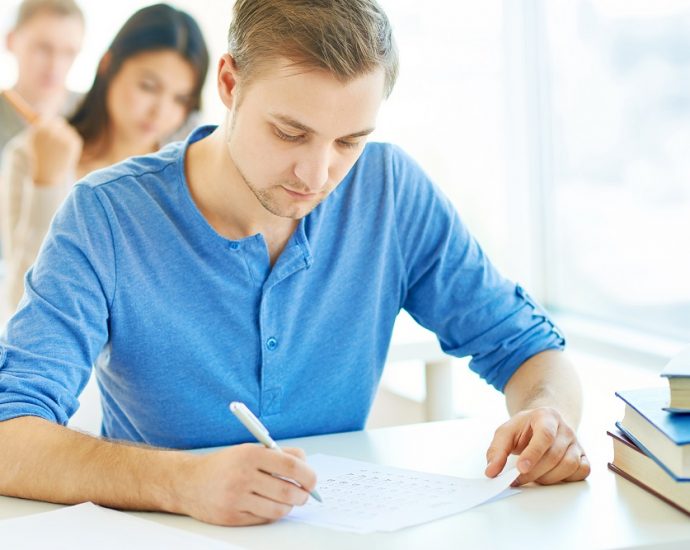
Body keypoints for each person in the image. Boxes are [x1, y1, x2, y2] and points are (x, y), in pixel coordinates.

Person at [0, 0, 590, 527]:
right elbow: (9, 435)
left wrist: (548, 416)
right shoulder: (106, 213)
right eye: (289, 133)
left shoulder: (389, 189)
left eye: (348, 142)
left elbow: (530, 349)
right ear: (230, 83)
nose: (317, 176)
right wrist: (181, 481)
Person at [0, 3, 209, 319]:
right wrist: (47, 185)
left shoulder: (190, 166)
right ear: (108, 65)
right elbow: (19, 303)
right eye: (148, 86)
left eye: (180, 99)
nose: (160, 112)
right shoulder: (30, 155)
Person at [0, 0, 84, 156]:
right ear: (10, 41)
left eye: (69, 52)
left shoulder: (94, 113)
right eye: (43, 48)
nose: (55, 65)